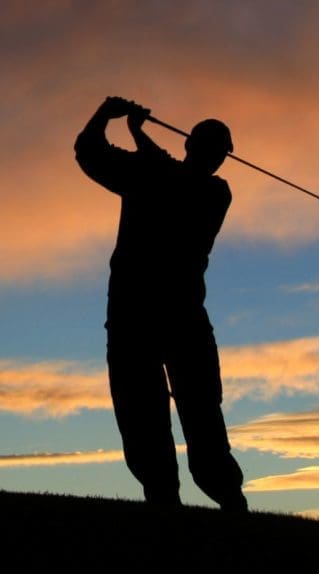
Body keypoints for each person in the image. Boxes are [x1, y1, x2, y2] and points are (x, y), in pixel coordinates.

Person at [74, 96, 248, 511]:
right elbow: (101, 157)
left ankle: (195, 498)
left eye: (220, 154)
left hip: (144, 316)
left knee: (175, 410)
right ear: (206, 152)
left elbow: (92, 151)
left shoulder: (208, 192)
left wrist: (115, 119)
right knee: (160, 411)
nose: (219, 162)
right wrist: (135, 132)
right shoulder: (194, 184)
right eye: (219, 152)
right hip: (172, 317)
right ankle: (186, 500)